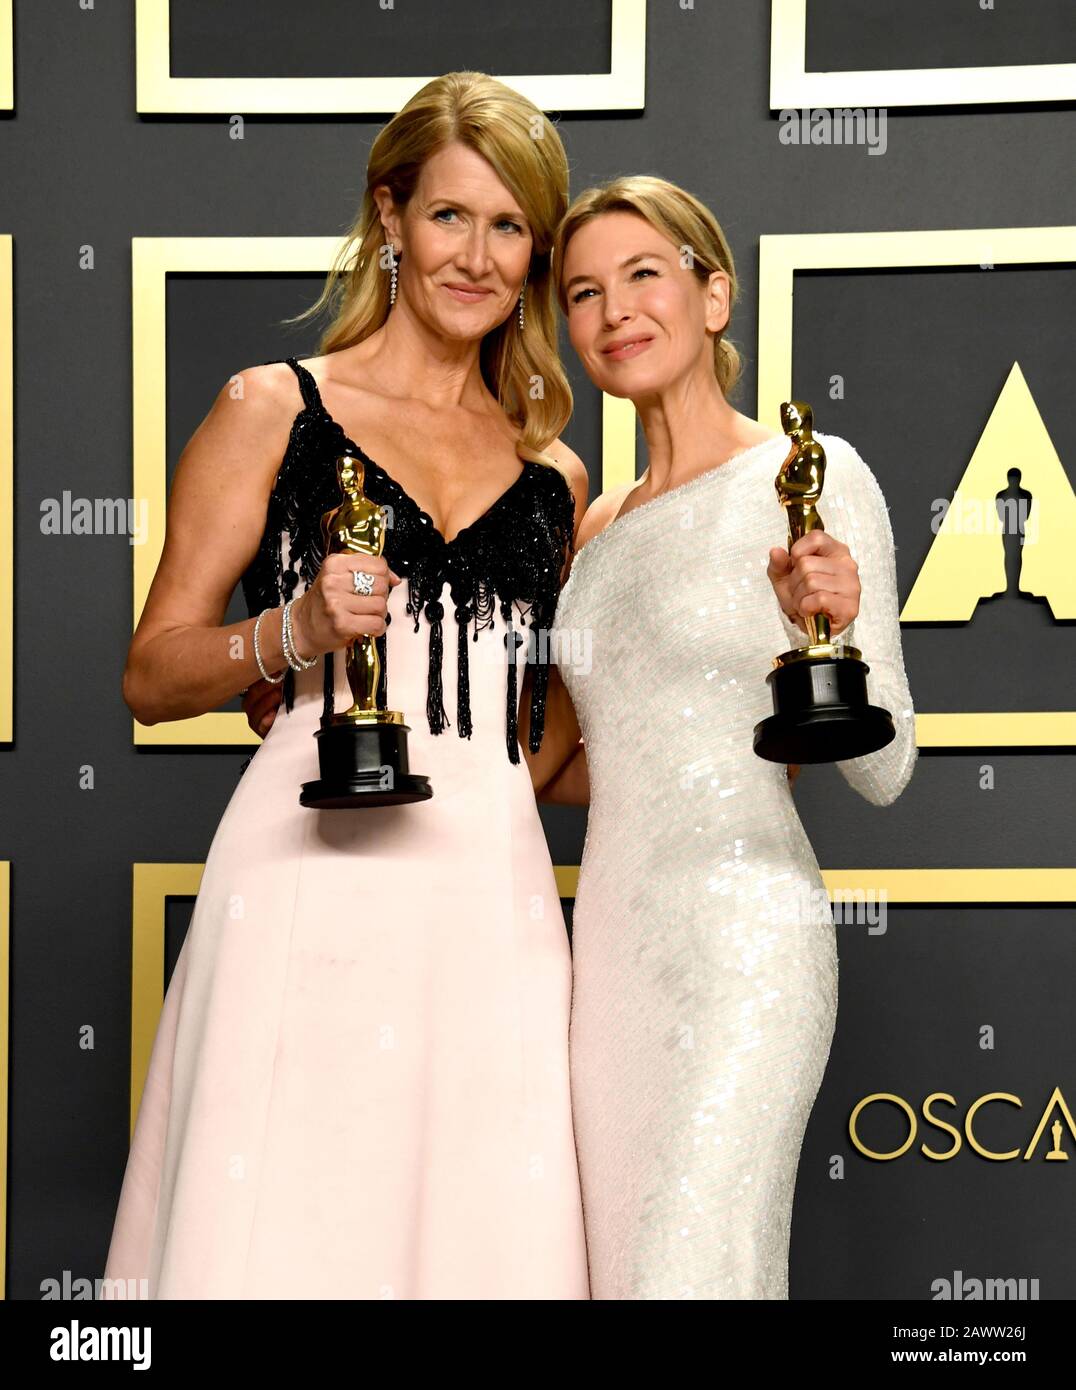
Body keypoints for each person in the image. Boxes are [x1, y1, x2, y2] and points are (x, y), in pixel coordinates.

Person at [101, 71, 591, 1300]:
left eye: (509, 227)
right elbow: (151, 673)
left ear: (534, 252)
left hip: (489, 897)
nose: (476, 257)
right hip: (308, 878)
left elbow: (546, 751)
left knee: (479, 1231)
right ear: (389, 214)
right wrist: (294, 630)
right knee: (284, 1228)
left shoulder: (557, 480)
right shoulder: (274, 407)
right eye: (448, 217)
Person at [534, 176, 918, 1298]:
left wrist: (836, 630)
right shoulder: (596, 526)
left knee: (686, 1265)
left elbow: (886, 770)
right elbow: (578, 761)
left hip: (742, 948)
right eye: (583, 293)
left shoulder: (808, 475)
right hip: (605, 967)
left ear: (715, 295)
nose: (613, 313)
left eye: (644, 275)